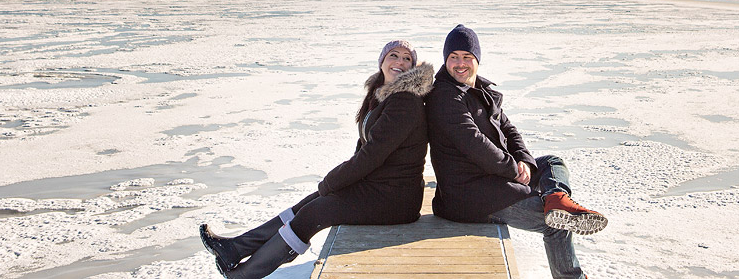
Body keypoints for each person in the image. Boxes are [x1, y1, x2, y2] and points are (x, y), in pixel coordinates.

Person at [200, 40, 433, 278]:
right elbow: (363, 146)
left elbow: (372, 155)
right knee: (311, 202)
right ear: (382, 61)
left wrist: (333, 181)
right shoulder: (381, 95)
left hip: (396, 198)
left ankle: (244, 274)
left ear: (412, 67)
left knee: (315, 213)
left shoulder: (405, 101)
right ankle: (235, 249)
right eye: (394, 55)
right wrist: (335, 184)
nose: (400, 62)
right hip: (378, 186)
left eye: (407, 59)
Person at [426, 24, 606, 279]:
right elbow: (474, 142)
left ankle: (556, 198)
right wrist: (514, 170)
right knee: (555, 226)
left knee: (551, 162)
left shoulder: (481, 91)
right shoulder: (444, 96)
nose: (460, 63)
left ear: (477, 59)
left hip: (493, 179)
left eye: (467, 57)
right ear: (445, 61)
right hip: (470, 196)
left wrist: (524, 161)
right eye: (453, 57)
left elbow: (510, 130)